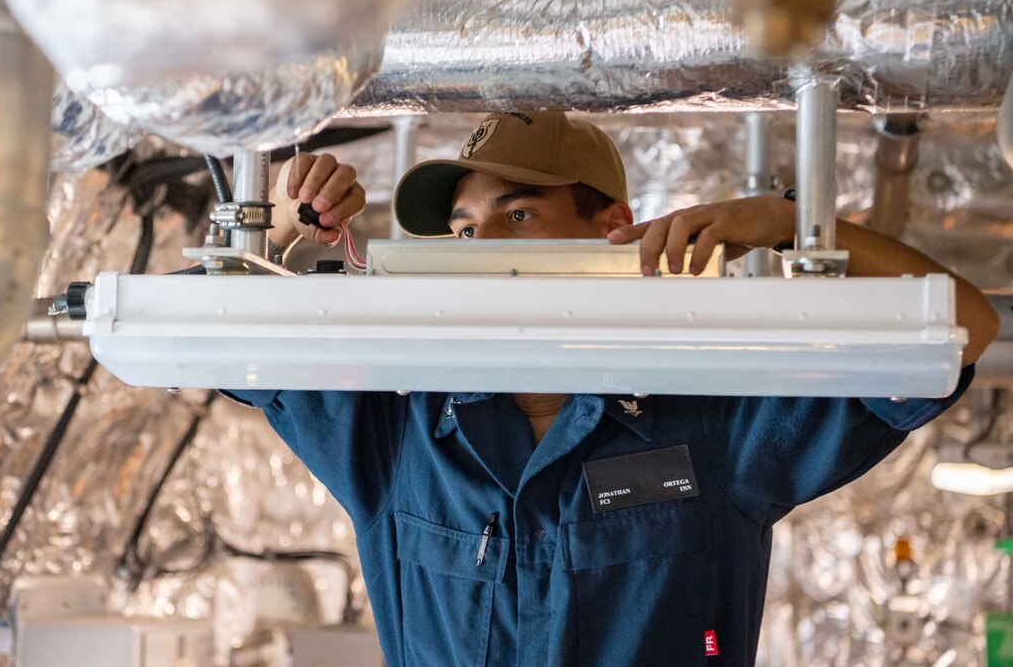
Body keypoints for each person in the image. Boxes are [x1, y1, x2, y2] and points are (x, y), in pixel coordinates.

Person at [228, 111, 997, 666]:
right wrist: (289, 242)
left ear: (612, 225)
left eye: (517, 214)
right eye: (464, 230)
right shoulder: (396, 432)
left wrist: (787, 223)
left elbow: (966, 326)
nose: (481, 250)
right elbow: (185, 336)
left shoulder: (710, 424)